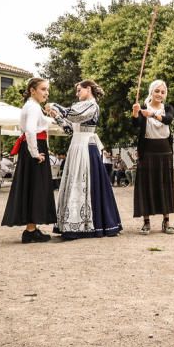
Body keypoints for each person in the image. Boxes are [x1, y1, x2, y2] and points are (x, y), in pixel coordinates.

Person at [47, 79, 122, 240]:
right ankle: (72, 223)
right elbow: (69, 128)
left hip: (86, 146)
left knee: (85, 183)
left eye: (79, 90)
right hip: (76, 145)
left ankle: (87, 224)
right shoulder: (82, 105)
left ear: (88, 89)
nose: (77, 93)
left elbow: (73, 115)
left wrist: (55, 106)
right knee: (74, 182)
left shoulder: (92, 105)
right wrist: (57, 117)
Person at [1, 78, 58, 243]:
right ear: (33, 90)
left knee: (33, 188)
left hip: (33, 148)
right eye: (43, 89)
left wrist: (48, 116)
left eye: (47, 89)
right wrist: (36, 153)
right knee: (36, 189)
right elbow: (31, 131)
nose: (46, 92)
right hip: (34, 150)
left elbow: (36, 128)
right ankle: (31, 230)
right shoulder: (33, 107)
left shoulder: (31, 106)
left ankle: (31, 229)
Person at [132, 79, 174, 234]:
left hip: (164, 151)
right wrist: (136, 112)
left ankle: (166, 221)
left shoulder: (168, 108)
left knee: (164, 186)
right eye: (157, 91)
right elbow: (136, 125)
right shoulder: (144, 108)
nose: (160, 94)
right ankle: (146, 222)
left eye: (163, 92)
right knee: (146, 186)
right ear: (151, 92)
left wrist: (151, 114)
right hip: (147, 151)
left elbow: (168, 120)